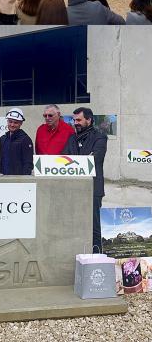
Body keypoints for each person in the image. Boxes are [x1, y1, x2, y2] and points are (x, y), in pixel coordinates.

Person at [66, 107, 108, 253]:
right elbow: (63, 158)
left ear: (89, 120)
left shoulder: (100, 136)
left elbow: (96, 159)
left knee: (94, 228)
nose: (75, 122)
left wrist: (73, 161)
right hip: (73, 188)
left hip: (93, 189)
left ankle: (97, 257)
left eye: (78, 120)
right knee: (75, 225)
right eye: (74, 119)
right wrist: (83, 158)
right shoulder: (71, 138)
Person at [0, 109, 34, 176]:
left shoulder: (25, 140)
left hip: (19, 181)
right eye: (10, 122)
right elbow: (0, 161)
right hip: (4, 179)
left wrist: (24, 182)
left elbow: (28, 164)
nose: (12, 125)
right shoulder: (3, 138)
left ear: (21, 123)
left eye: (15, 122)